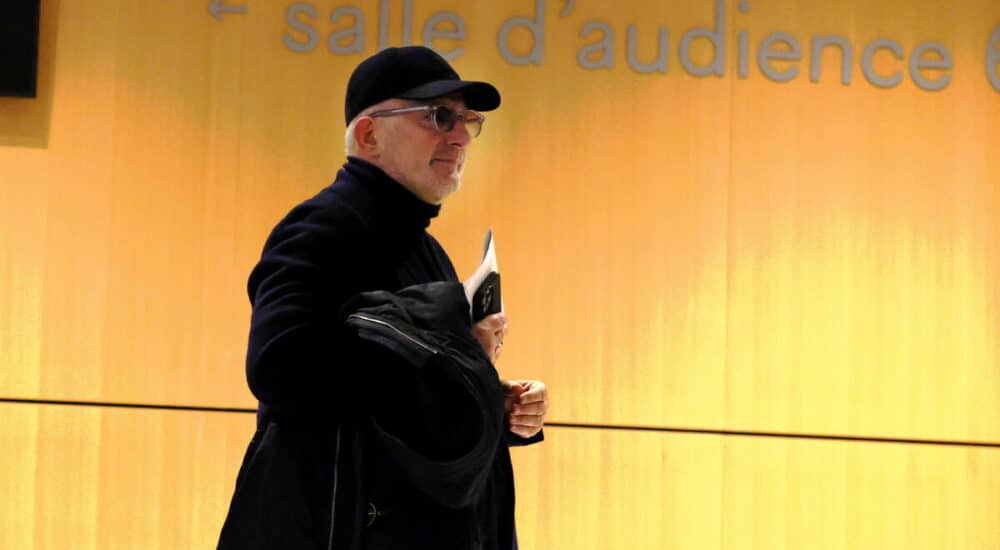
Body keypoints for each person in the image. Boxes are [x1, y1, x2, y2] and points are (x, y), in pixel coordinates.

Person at [218, 46, 548, 550]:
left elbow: (397, 397)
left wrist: (487, 397)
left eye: (466, 120)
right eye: (438, 116)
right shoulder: (324, 227)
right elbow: (280, 366)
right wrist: (450, 344)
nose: (460, 136)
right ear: (370, 135)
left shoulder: (421, 246)